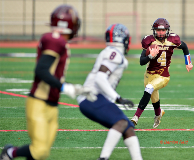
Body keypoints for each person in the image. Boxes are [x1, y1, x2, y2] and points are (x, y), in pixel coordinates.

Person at [0, 4, 83, 160]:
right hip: (39, 103)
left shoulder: (58, 41)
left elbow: (53, 72)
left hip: (52, 105)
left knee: (39, 153)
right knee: (40, 151)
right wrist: (64, 86)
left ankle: (10, 153)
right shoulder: (55, 40)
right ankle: (9, 153)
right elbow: (41, 70)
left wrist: (74, 87)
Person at [77, 24, 143, 160]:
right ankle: (103, 158)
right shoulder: (115, 53)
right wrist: (117, 98)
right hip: (92, 97)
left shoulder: (111, 52)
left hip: (93, 98)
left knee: (128, 128)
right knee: (121, 122)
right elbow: (100, 78)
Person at [131, 18, 193, 128]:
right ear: (154, 30)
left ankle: (135, 117)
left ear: (167, 30)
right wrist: (151, 56)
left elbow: (184, 47)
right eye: (158, 30)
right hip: (149, 74)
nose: (160, 33)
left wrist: (188, 62)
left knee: (149, 88)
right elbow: (141, 61)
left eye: (163, 30)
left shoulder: (173, 39)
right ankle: (158, 114)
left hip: (163, 75)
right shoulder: (149, 41)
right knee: (154, 98)